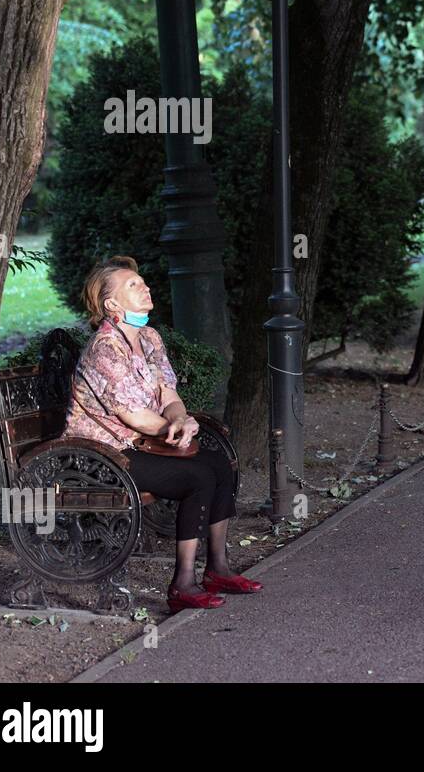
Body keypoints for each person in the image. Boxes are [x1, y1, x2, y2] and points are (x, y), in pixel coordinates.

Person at [63, 256, 262, 612]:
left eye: (143, 282)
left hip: (142, 444)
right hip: (102, 455)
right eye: (133, 286)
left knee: (218, 463)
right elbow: (131, 414)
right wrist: (172, 428)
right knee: (197, 476)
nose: (145, 287)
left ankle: (217, 568)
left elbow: (168, 394)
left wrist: (181, 419)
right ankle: (182, 584)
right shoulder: (104, 349)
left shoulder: (149, 338)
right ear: (112, 305)